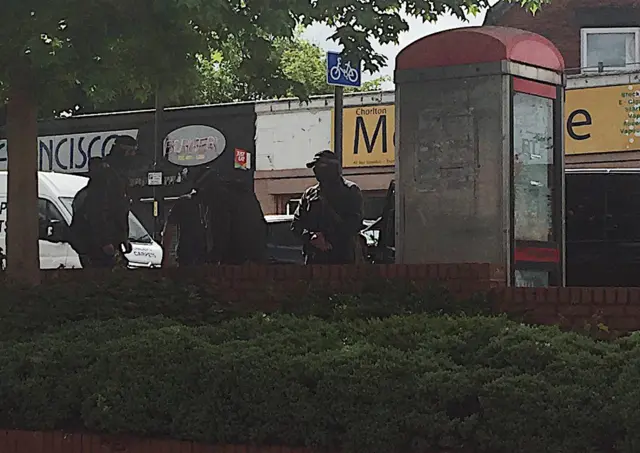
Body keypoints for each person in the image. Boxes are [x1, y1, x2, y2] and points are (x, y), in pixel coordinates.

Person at [162, 168, 267, 267]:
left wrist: (214, 257)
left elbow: (222, 229)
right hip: (249, 258)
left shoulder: (219, 200)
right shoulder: (241, 196)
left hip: (225, 260)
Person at [291, 150, 364, 264]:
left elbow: (354, 223)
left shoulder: (350, 191)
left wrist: (328, 239)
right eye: (315, 167)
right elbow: (296, 224)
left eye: (321, 166)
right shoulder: (310, 194)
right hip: (315, 258)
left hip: (343, 257)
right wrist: (311, 237)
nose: (317, 170)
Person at [69, 157, 131, 268]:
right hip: (95, 244)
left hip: (102, 243)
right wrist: (106, 241)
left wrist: (123, 237)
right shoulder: (97, 193)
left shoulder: (88, 193)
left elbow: (120, 215)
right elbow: (97, 216)